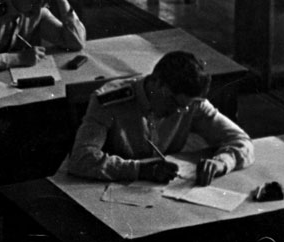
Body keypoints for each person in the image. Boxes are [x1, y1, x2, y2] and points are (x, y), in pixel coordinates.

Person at [67, 51, 254, 184]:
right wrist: (140, 170)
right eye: (174, 102)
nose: (179, 112)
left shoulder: (190, 104)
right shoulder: (110, 101)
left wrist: (222, 162)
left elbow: (241, 140)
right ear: (156, 83)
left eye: (185, 106)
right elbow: (81, 159)